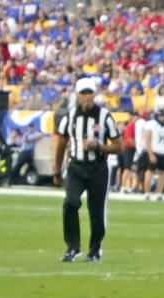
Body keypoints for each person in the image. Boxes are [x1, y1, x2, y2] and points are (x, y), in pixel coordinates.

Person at [53, 77, 122, 262]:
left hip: (98, 168)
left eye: (90, 93)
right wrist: (56, 171)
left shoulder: (104, 116)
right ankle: (73, 247)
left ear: (95, 94)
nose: (87, 97)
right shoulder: (70, 116)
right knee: (70, 203)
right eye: (83, 93)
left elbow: (119, 146)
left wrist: (98, 147)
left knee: (96, 211)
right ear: (77, 95)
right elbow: (60, 144)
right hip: (76, 167)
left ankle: (94, 249)